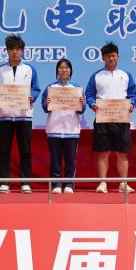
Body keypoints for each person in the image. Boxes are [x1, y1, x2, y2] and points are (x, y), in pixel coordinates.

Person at [0, 35, 40, 194]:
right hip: (5, 116)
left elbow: (36, 89)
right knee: (4, 150)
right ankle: (4, 182)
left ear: (22, 51)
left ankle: (25, 182)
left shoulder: (29, 69)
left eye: (17, 49)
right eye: (11, 49)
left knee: (25, 150)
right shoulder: (0, 70)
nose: (14, 52)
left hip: (24, 115)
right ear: (7, 51)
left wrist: (32, 96)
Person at [84, 41, 136, 193]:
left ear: (118, 56)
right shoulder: (97, 76)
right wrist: (92, 104)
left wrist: (132, 104)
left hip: (121, 119)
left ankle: (123, 183)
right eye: (108, 56)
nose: (111, 59)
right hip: (103, 119)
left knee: (122, 153)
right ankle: (102, 183)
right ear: (103, 58)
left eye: (113, 56)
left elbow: (133, 94)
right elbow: (89, 94)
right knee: (103, 152)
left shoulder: (125, 75)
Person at [41, 58, 85, 194]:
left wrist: (81, 103)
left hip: (71, 129)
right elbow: (44, 108)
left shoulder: (76, 88)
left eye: (66, 68)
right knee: (55, 159)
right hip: (54, 129)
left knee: (70, 159)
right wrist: (47, 103)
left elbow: (82, 110)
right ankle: (56, 184)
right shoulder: (51, 88)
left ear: (71, 71)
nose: (64, 70)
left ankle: (69, 184)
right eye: (61, 68)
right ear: (57, 71)